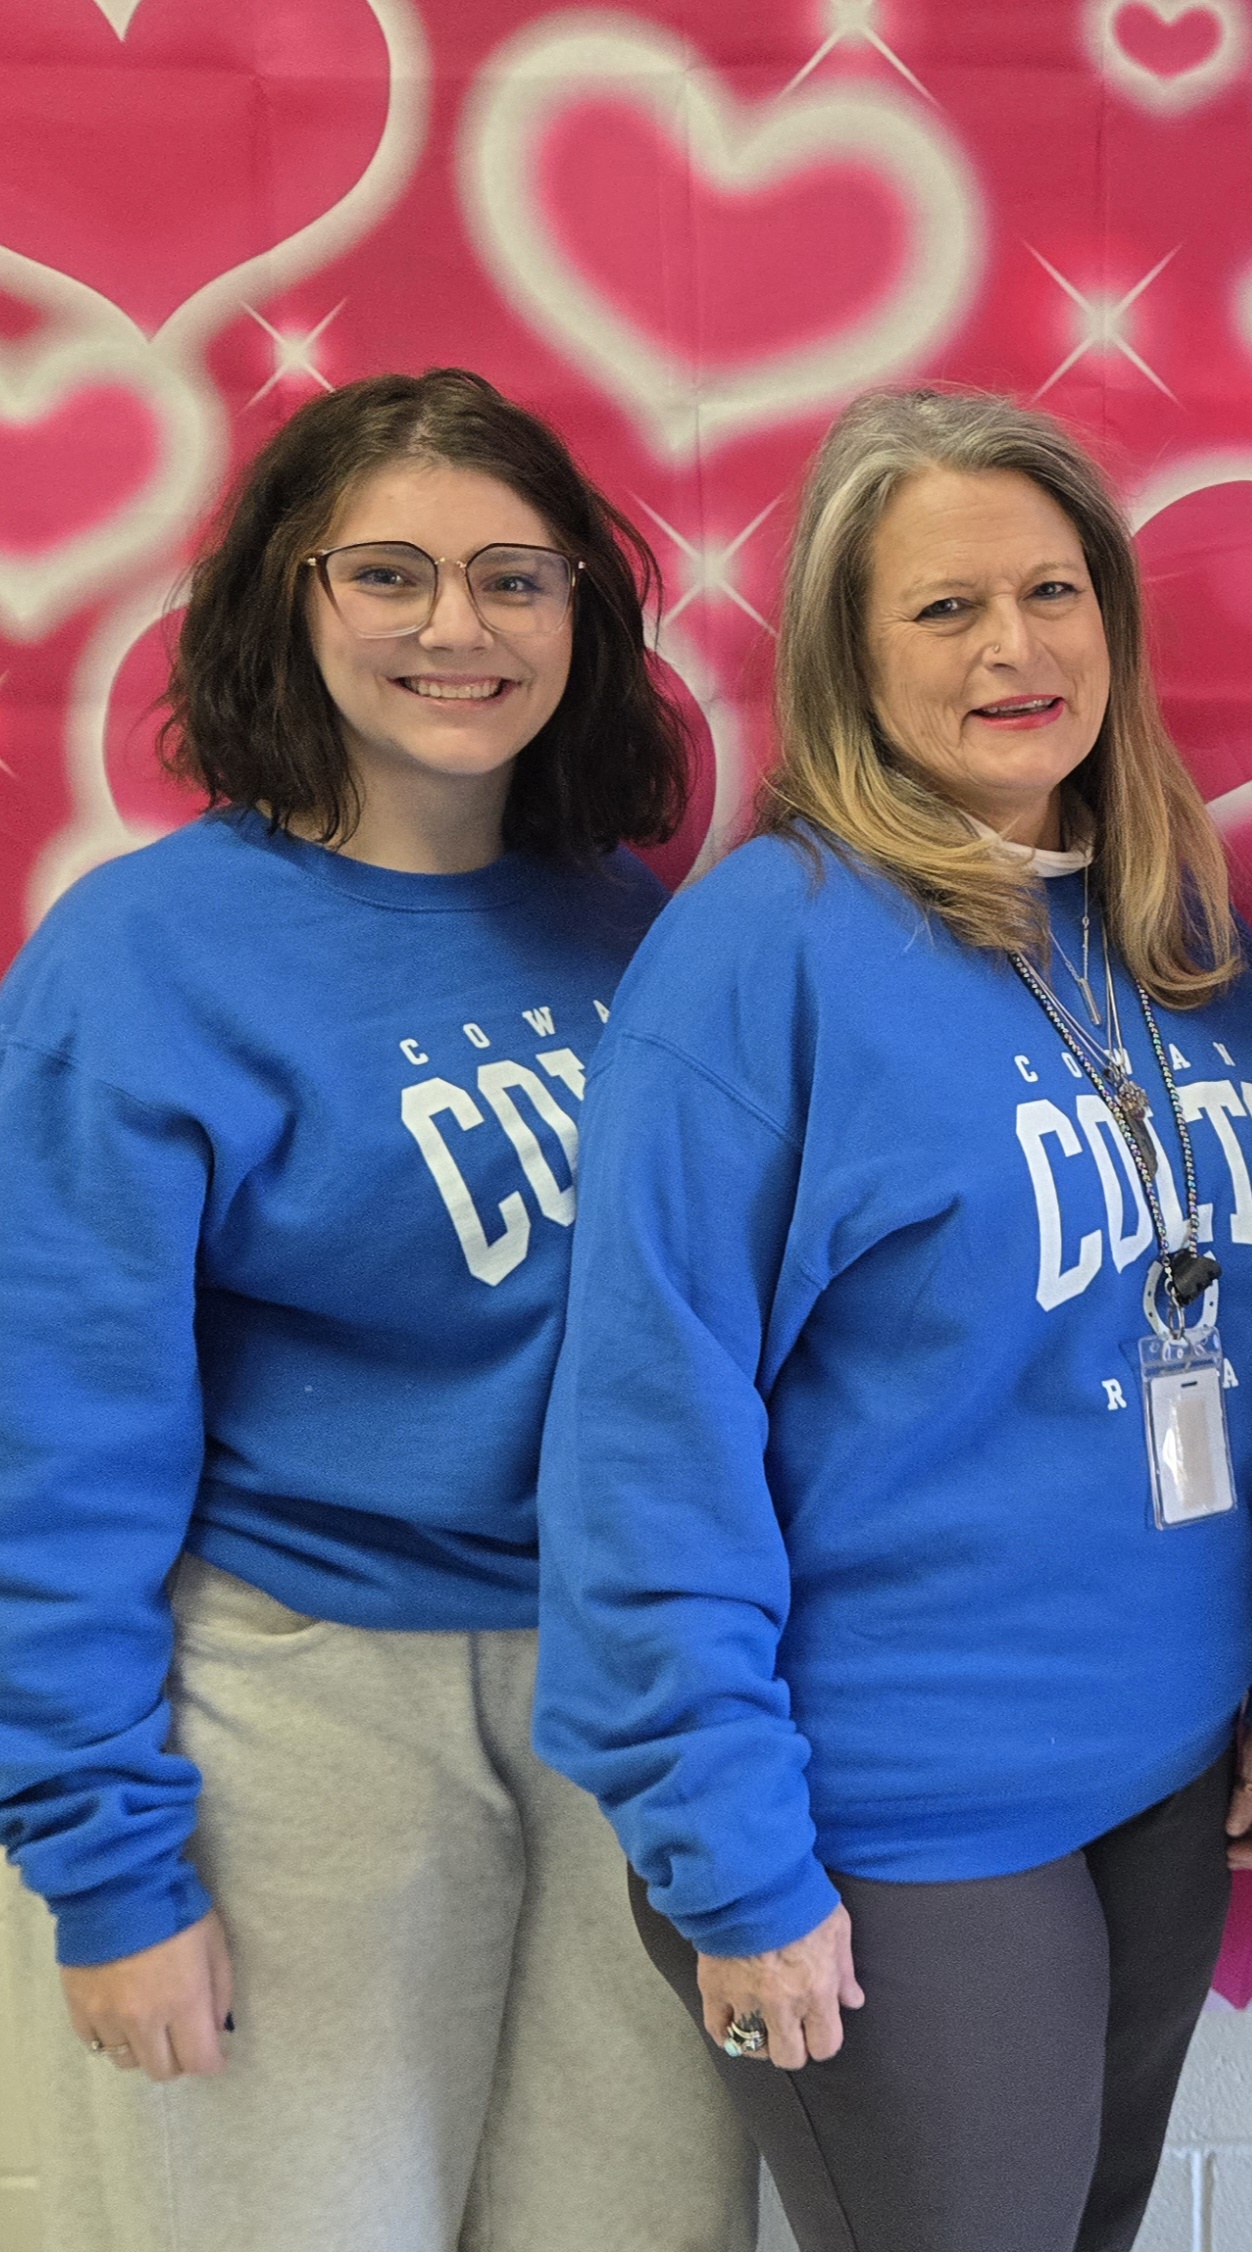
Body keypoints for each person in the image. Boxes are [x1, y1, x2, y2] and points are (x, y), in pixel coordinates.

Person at [530, 385, 1252, 2252]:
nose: (1014, 649)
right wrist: (728, 1849)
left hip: (1166, 1776)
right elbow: (653, 1431)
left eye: (1052, 594)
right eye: (945, 608)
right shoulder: (764, 951)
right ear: (846, 655)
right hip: (885, 1812)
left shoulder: (1172, 935)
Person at [0, 369, 755, 2251]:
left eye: (517, 576)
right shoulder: (144, 953)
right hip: (303, 1709)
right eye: (390, 574)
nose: (457, 627)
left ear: (584, 612)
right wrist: (108, 1865)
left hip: (627, 1699)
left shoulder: (628, 919)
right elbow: (55, 1434)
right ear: (289, 598)